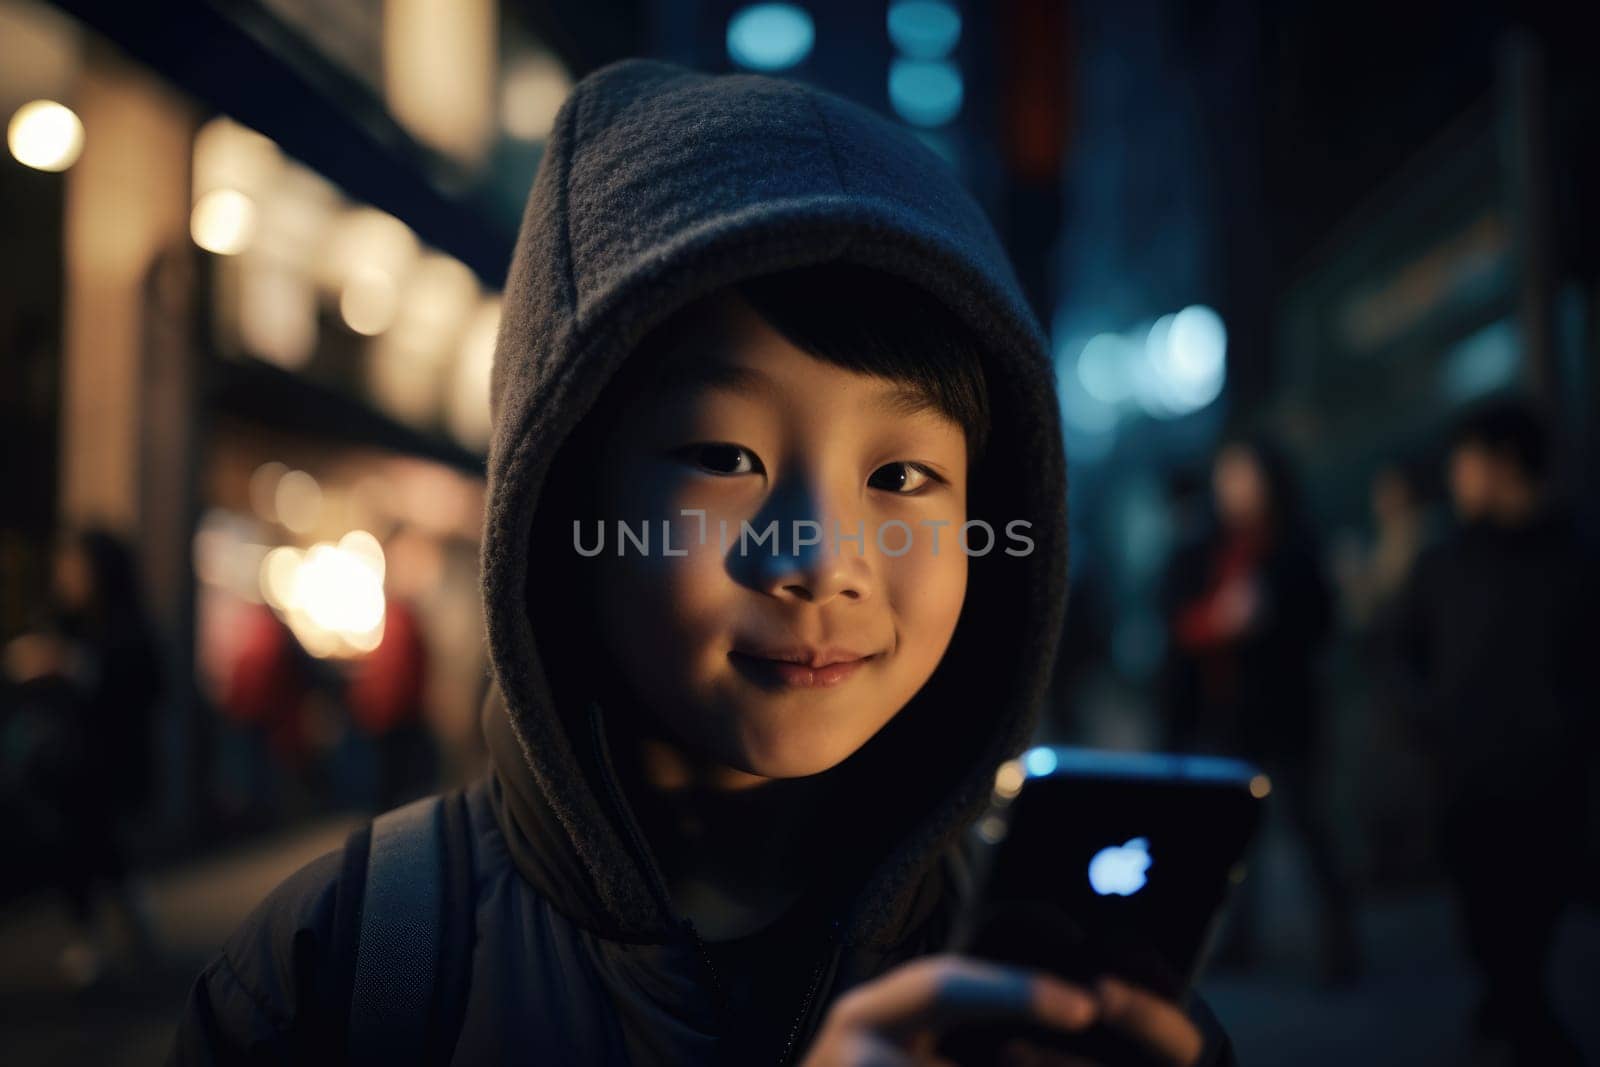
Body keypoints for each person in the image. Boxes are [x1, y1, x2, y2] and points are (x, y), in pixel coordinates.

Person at [169, 58, 1233, 1065]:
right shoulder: (344, 966)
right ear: (563, 497)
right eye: (724, 457)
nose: (819, 560)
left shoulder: (1061, 986)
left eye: (903, 476)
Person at [1390, 396, 1596, 1065]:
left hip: (1550, 777)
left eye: (1466, 460)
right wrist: (1429, 722)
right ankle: (1516, 1016)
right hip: (1467, 777)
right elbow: (1401, 652)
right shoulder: (1445, 562)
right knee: (1485, 923)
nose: (1457, 475)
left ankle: (1521, 1021)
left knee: (1531, 920)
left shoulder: (1573, 558)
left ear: (1504, 462)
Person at [1164, 434, 1359, 982]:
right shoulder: (1204, 547)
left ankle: (1339, 938)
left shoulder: (1294, 545)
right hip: (1227, 712)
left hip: (1287, 708)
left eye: (1244, 476)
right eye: (1227, 477)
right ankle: (1239, 939)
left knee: (1309, 823)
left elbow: (1321, 623)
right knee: (1232, 834)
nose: (1234, 488)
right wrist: (1219, 621)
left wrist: (1270, 615)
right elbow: (1177, 619)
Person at [1, 526, 164, 986]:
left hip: (107, 763)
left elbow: (144, 688)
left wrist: (70, 666)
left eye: (77, 566)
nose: (68, 575)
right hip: (69, 764)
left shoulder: (126, 627)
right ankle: (109, 933)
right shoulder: (64, 621)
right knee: (86, 848)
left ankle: (115, 934)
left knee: (98, 847)